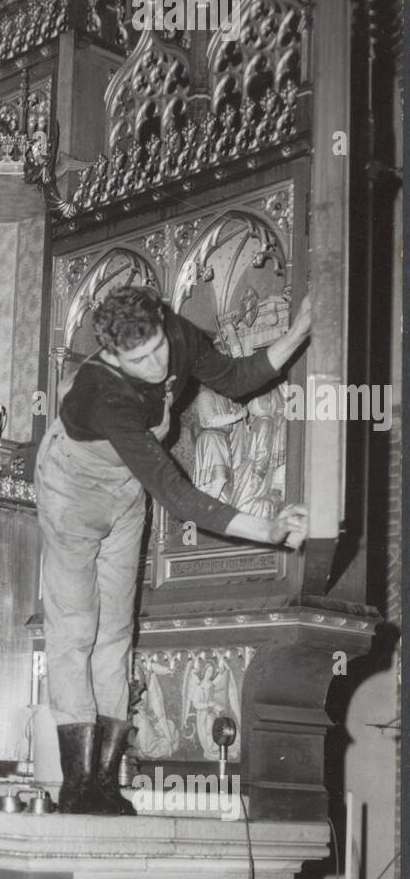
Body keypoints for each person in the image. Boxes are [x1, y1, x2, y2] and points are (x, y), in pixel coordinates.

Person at [36, 285, 312, 816]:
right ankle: (76, 785)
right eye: (139, 359)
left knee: (116, 631)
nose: (158, 365)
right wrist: (268, 529)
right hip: (70, 492)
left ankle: (105, 781)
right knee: (75, 630)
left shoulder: (176, 333)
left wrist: (298, 331)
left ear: (163, 323)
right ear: (112, 355)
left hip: (123, 490)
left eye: (160, 348)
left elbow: (234, 379)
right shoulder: (102, 390)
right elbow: (177, 493)